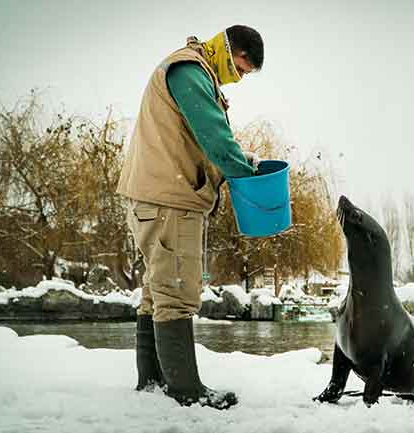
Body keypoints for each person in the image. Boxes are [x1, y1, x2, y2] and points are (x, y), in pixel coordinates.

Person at [116, 25, 264, 410]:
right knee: (178, 291)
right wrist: (249, 176)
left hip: (153, 195)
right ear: (229, 50)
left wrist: (236, 160)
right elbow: (213, 137)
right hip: (170, 199)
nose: (239, 77)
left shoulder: (192, 70)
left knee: (157, 290)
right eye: (241, 69)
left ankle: (152, 383)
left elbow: (198, 139)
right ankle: (186, 390)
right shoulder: (190, 71)